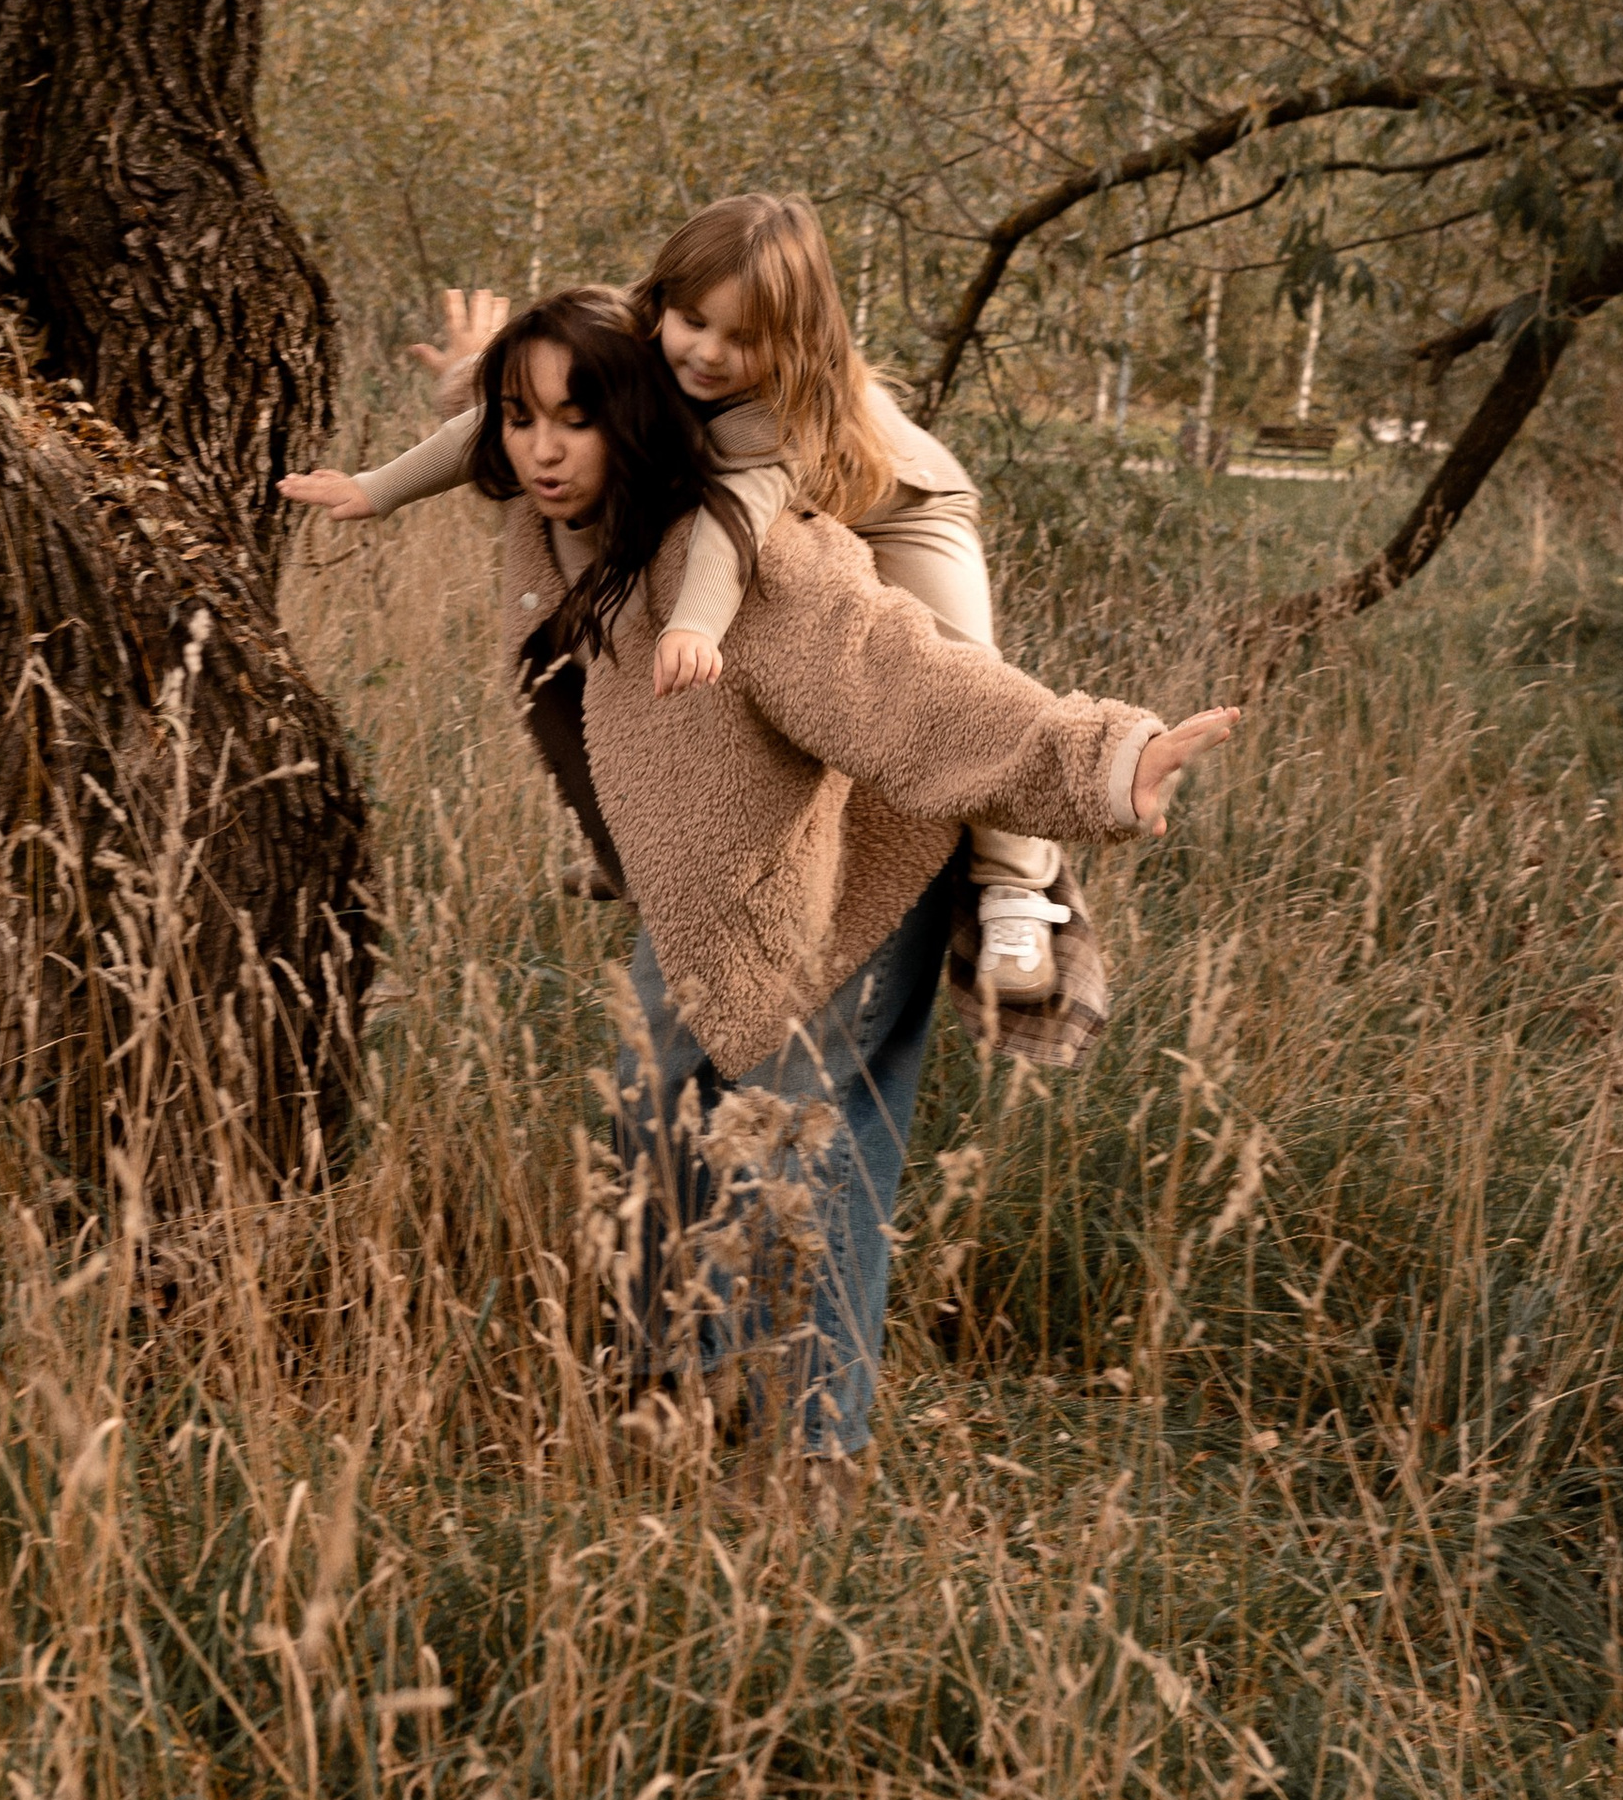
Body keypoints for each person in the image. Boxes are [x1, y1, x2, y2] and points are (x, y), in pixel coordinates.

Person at [399, 285, 1239, 1500]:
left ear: (640, 421)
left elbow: (913, 681)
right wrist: (485, 375)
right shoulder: (566, 509)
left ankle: (811, 1451)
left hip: (870, 848)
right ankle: (673, 1388)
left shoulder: (756, 554)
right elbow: (521, 425)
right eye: (522, 419)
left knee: (805, 1130)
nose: (541, 449)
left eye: (574, 420)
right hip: (726, 863)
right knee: (656, 1095)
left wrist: (1107, 757)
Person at [281, 192, 1090, 1021]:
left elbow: (729, 523)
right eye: (695, 321)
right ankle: (641, 844)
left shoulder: (777, 411)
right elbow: (513, 413)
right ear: (662, 299)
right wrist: (377, 486)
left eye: (743, 338)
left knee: (966, 682)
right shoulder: (640, 339)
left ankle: (1017, 884)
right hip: (776, 528)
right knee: (624, 647)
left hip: (898, 505)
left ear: (794, 340)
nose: (707, 352)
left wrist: (697, 623)